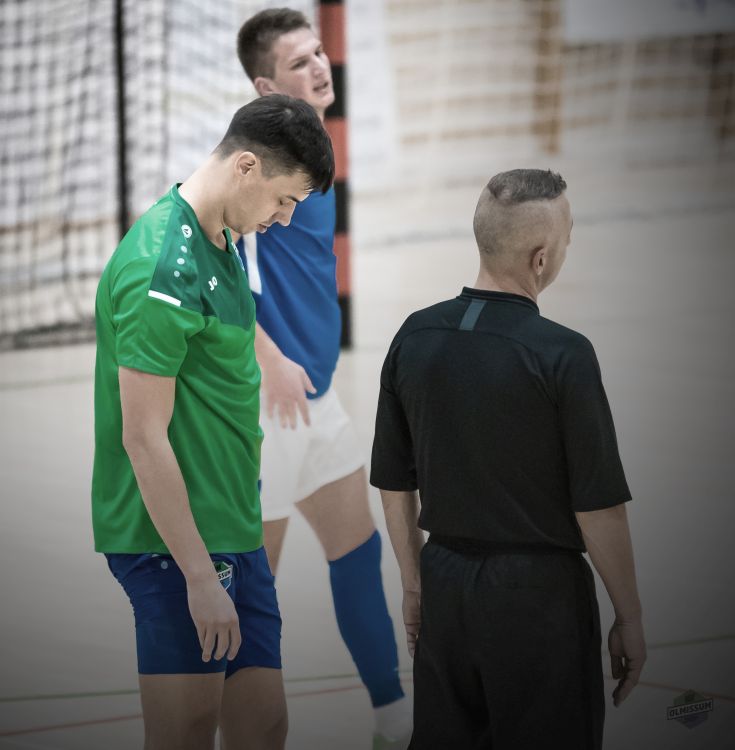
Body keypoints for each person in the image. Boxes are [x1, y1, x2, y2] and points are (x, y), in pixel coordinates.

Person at [371, 169, 647, 749]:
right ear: (541, 258)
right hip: (537, 600)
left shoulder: (412, 337)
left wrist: (416, 586)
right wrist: (629, 616)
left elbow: (394, 484)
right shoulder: (564, 354)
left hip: (445, 583)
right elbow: (600, 509)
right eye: (568, 236)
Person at [92, 94, 334, 750]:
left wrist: (272, 359)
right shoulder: (160, 272)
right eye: (284, 200)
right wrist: (199, 577)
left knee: (263, 725)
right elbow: (142, 437)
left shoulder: (220, 238)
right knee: (187, 730)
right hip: (173, 545)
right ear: (246, 167)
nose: (283, 219)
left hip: (233, 523)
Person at [234, 9, 411, 748]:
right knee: (254, 594)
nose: (318, 66)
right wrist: (268, 359)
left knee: (357, 553)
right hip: (265, 410)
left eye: (318, 53)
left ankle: (393, 718)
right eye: (299, 61)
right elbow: (209, 264)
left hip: (316, 401)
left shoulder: (314, 147)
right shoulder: (251, 163)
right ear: (264, 86)